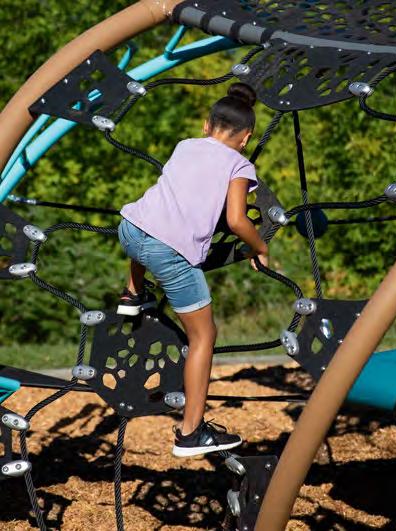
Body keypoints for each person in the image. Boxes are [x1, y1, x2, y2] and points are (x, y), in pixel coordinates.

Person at [117, 82, 268, 457]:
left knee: (153, 222)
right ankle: (190, 433)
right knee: (204, 336)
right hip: (169, 253)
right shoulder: (239, 164)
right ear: (246, 138)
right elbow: (236, 220)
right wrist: (260, 246)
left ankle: (132, 293)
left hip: (129, 231)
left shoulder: (185, 145)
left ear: (206, 125)